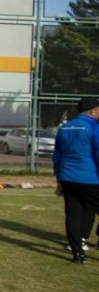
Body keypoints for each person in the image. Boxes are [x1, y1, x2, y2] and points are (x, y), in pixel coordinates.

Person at [52, 97, 99, 265]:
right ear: (92, 111)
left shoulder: (64, 127)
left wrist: (59, 179)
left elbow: (57, 156)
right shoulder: (94, 127)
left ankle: (78, 255)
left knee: (73, 215)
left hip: (68, 178)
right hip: (90, 178)